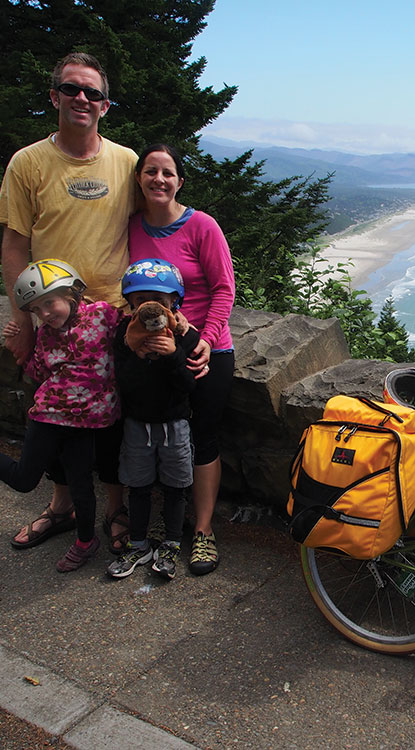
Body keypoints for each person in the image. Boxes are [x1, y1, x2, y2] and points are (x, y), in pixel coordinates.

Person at [0, 51, 138, 553]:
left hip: (113, 316)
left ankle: (115, 508)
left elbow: (152, 225)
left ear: (105, 106)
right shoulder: (28, 162)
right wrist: (24, 318)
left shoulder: (126, 161)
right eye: (72, 89)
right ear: (54, 96)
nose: (82, 98)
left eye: (92, 92)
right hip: (52, 319)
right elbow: (14, 244)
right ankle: (62, 507)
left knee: (113, 420)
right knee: (53, 415)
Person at [0, 260, 121, 572]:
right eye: (37, 309)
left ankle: (86, 542)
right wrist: (15, 344)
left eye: (50, 302)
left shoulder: (102, 314)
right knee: (24, 480)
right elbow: (39, 371)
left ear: (72, 293)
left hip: (85, 422)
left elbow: (134, 328)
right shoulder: (46, 334)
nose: (46, 313)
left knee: (81, 486)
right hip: (47, 417)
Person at [128, 144, 235, 576]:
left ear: (179, 182)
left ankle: (204, 531)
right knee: (151, 428)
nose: (159, 179)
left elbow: (224, 288)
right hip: (151, 348)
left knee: (202, 437)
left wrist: (205, 340)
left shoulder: (202, 226)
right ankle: (158, 521)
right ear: (139, 179)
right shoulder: (131, 226)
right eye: (150, 171)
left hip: (205, 347)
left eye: (167, 173)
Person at [107, 260, 200, 580]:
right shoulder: (124, 334)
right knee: (139, 486)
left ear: (174, 302)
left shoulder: (185, 335)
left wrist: (173, 354)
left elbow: (189, 386)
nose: (151, 307)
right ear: (131, 305)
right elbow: (123, 382)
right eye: (140, 300)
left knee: (176, 487)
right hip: (137, 424)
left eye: (159, 301)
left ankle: (171, 543)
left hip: (174, 423)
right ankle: (139, 543)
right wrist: (136, 353)